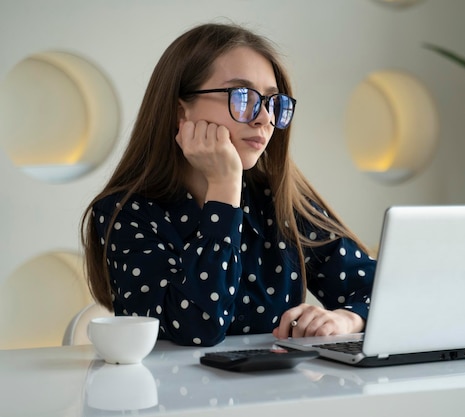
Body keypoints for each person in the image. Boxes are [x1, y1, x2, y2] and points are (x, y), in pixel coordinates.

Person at [81, 22, 376, 347]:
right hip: (166, 397)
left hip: (281, 395)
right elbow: (197, 328)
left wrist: (345, 318)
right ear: (181, 112)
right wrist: (224, 187)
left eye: (271, 102)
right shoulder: (126, 212)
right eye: (242, 97)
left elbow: (385, 289)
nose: (263, 118)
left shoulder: (277, 198)